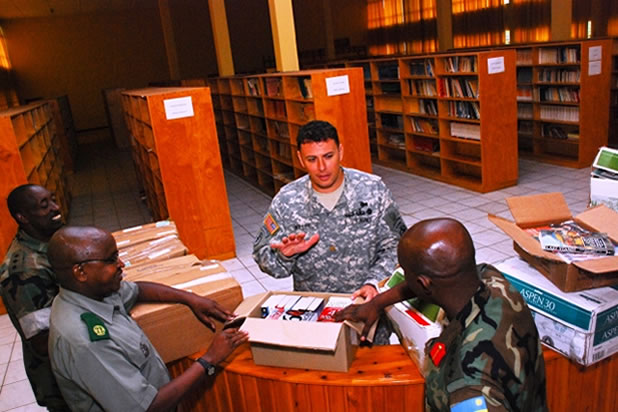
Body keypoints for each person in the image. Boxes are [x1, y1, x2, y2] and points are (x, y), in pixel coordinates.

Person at [335, 218, 547, 412]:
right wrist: (377, 302)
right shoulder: (491, 280)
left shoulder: (468, 384)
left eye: (406, 273)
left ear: (424, 283)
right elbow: (425, 283)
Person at [46, 226, 248, 412]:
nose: (121, 264)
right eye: (111, 259)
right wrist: (210, 359)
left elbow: (139, 289)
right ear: (80, 272)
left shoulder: (93, 292)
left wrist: (190, 298)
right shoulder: (84, 341)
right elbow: (147, 407)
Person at [253, 120, 406, 343]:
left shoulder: (373, 189)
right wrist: (285, 255)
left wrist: (374, 282)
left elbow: (397, 244)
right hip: (316, 319)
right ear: (300, 159)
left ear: (340, 151)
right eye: (312, 159)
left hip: (368, 314)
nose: (322, 168)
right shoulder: (287, 200)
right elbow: (262, 255)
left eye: (328, 156)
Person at [0, 184, 69, 411]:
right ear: (23, 217)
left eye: (52, 199)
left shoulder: (50, 242)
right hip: (61, 379)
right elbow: (41, 342)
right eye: (44, 205)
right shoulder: (23, 270)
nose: (55, 208)